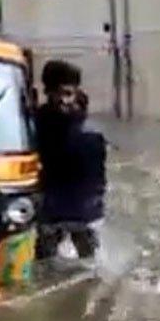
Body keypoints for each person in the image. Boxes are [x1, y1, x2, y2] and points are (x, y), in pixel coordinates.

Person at [34, 60, 106, 260]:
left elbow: (98, 172)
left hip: (81, 206)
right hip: (50, 203)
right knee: (45, 256)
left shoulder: (87, 127)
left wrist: (96, 202)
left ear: (76, 93)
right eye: (58, 93)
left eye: (68, 94)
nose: (63, 100)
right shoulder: (38, 122)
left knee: (89, 258)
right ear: (48, 93)